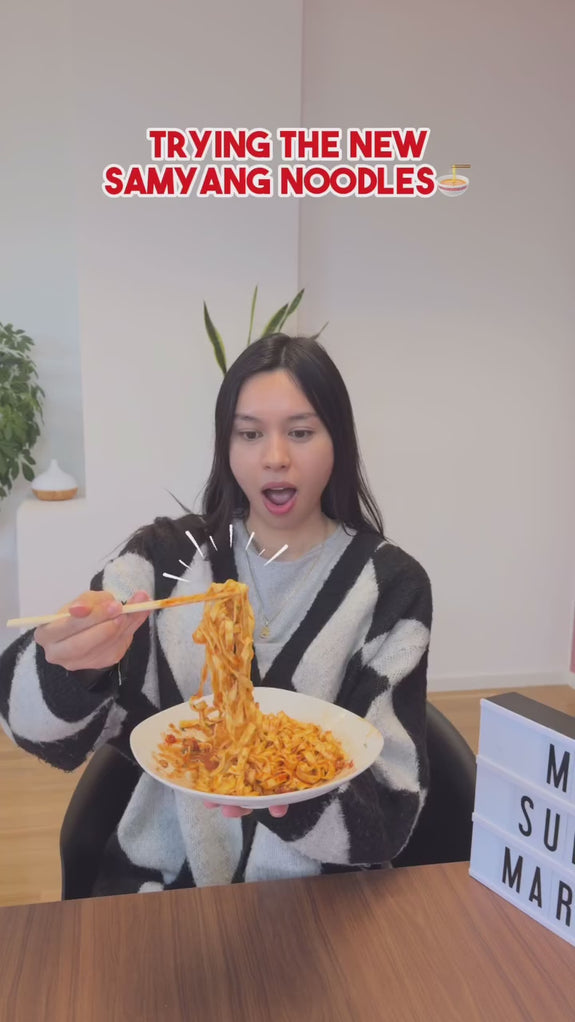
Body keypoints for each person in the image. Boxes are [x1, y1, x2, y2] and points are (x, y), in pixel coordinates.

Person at [0, 334, 432, 895]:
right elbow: (33, 729)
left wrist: (280, 784)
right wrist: (71, 666)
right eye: (249, 434)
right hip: (164, 888)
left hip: (322, 897)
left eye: (301, 432)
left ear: (338, 443)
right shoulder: (165, 561)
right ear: (225, 445)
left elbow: (391, 815)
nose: (274, 457)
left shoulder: (391, 587)